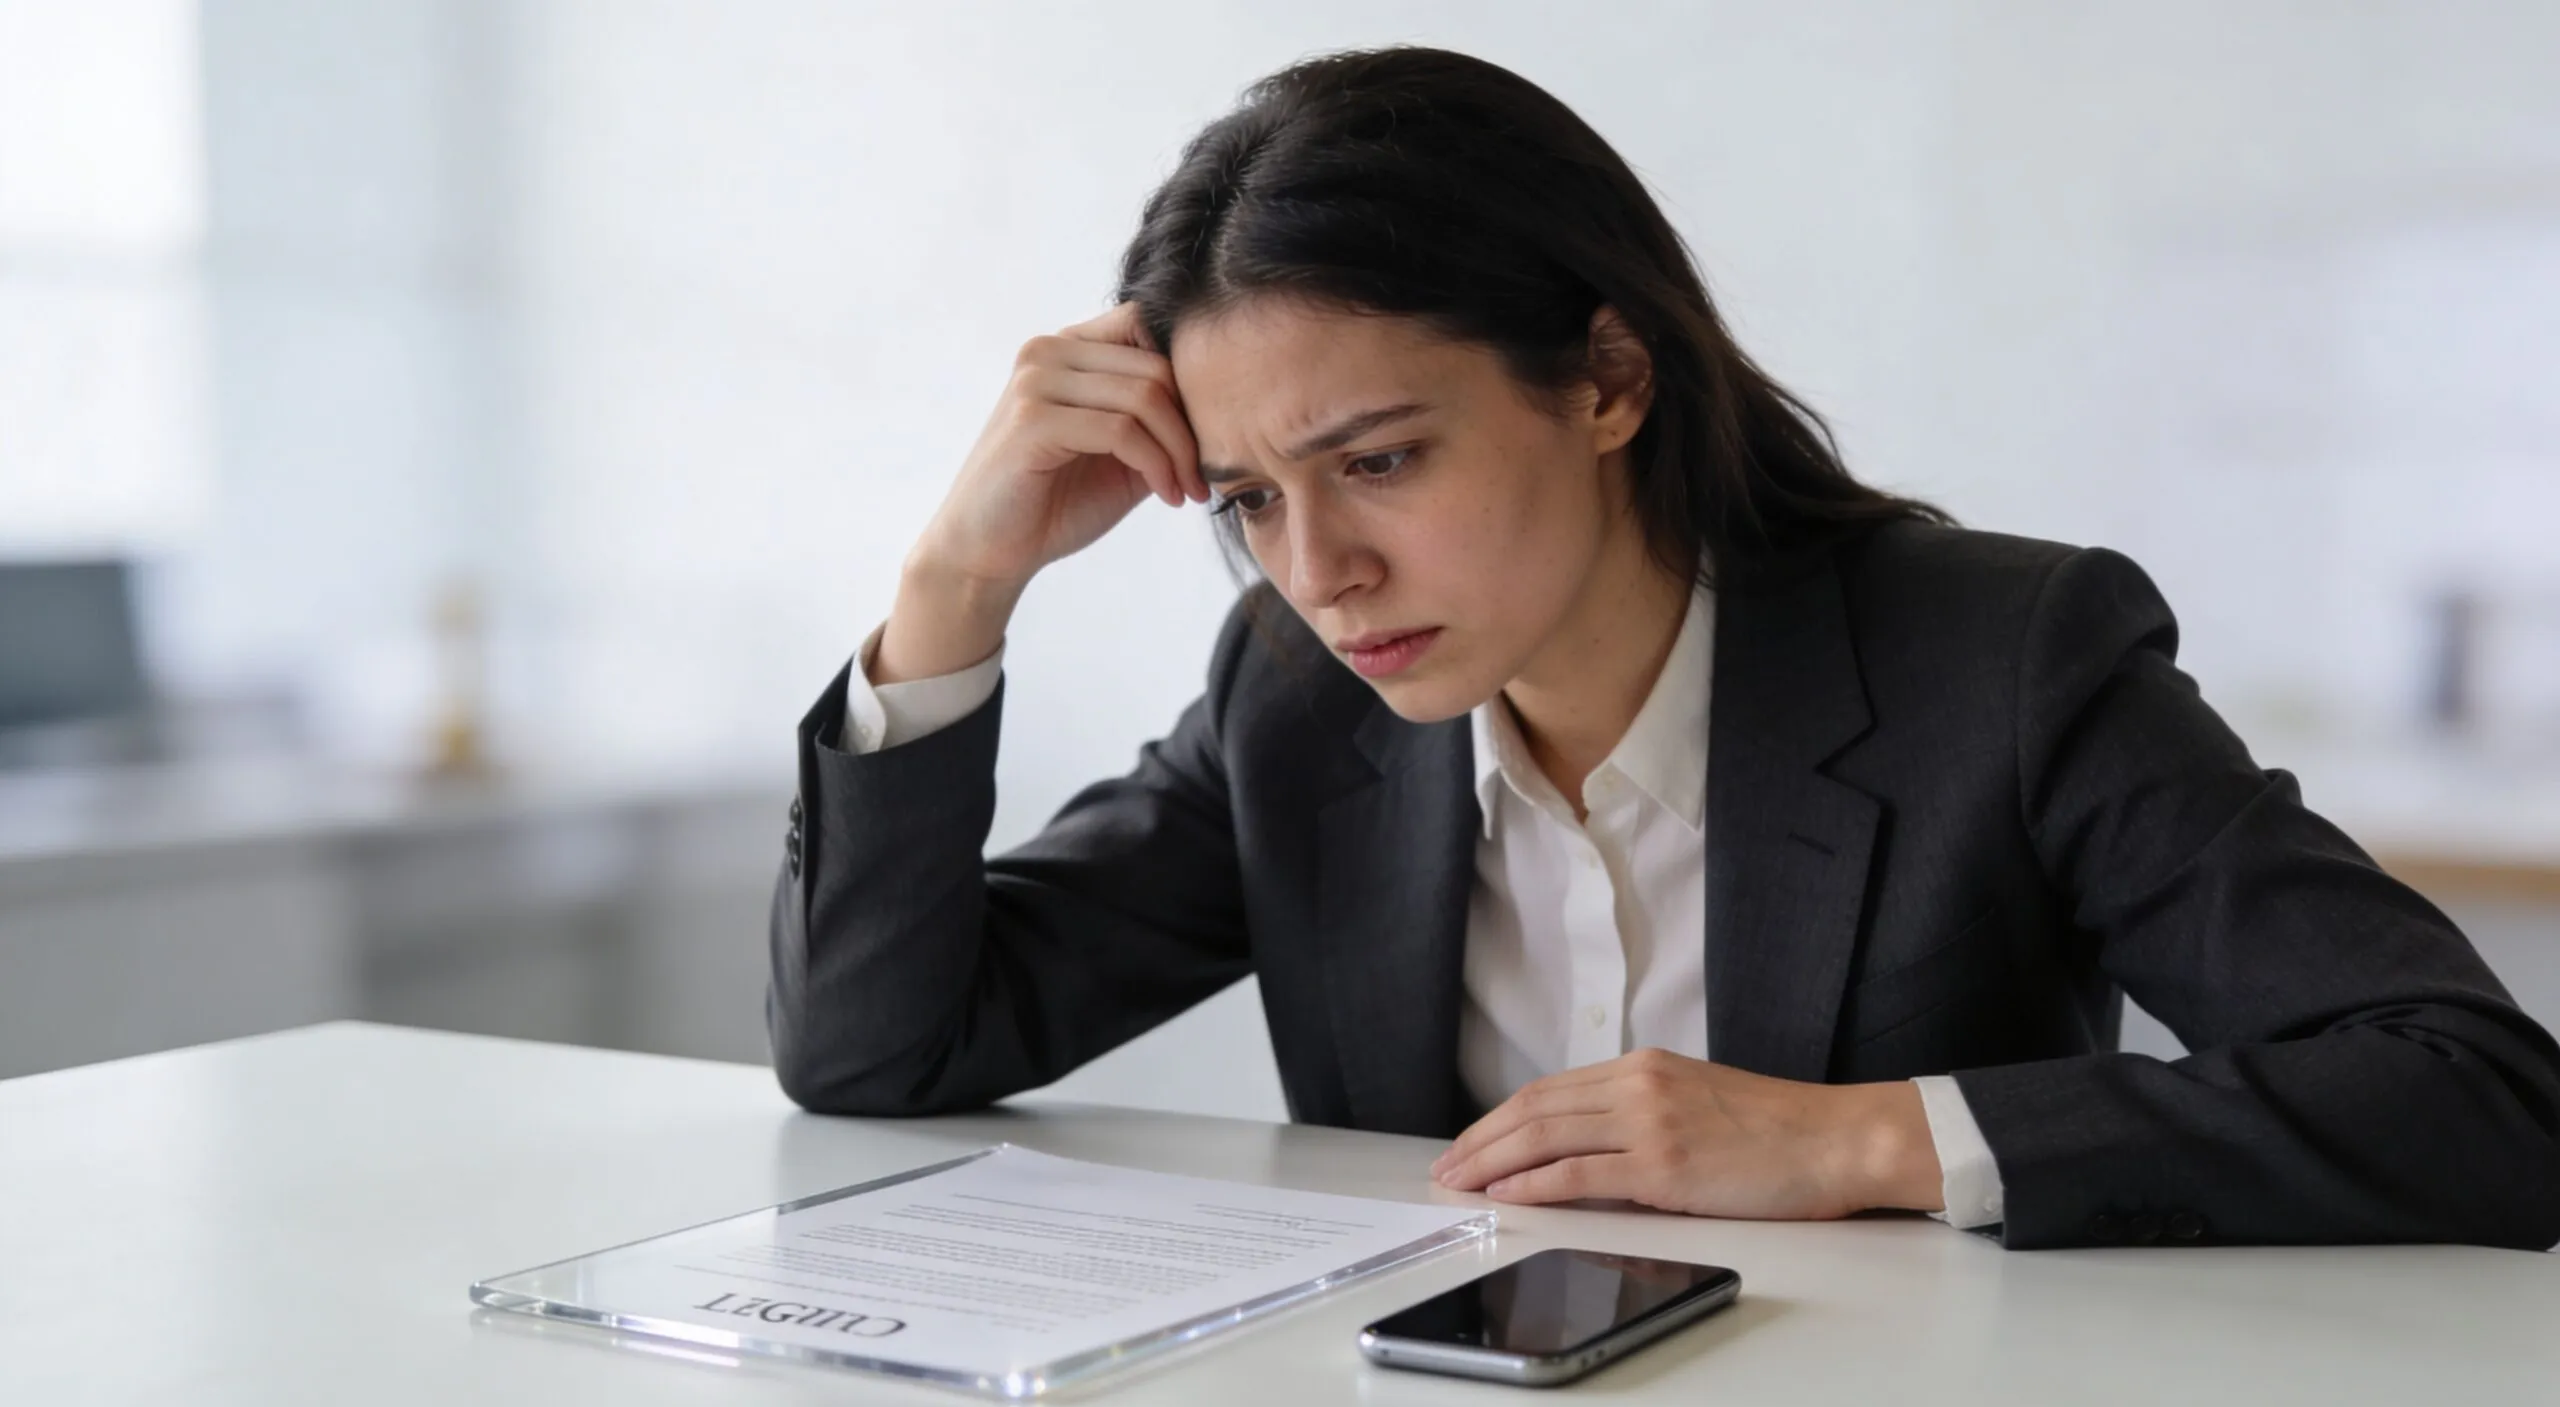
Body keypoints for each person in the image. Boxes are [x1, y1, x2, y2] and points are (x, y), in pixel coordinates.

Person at [766, 45, 2560, 1250]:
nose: (1316, 569)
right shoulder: (1298, 707)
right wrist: (955, 588)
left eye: (1379, 461)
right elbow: (877, 1053)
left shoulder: (2003, 660)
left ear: (1609, 381)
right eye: (1243, 498)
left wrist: (1854, 1140)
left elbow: (2482, 1095)